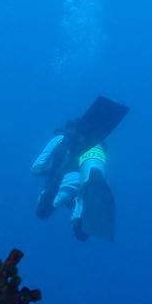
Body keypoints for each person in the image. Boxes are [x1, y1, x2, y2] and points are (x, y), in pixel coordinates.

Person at [32, 96, 129, 241]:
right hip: (93, 162)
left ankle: (78, 215)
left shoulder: (61, 138)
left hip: (65, 180)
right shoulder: (96, 143)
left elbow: (36, 168)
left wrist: (55, 169)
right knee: (83, 193)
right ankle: (79, 215)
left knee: (42, 212)